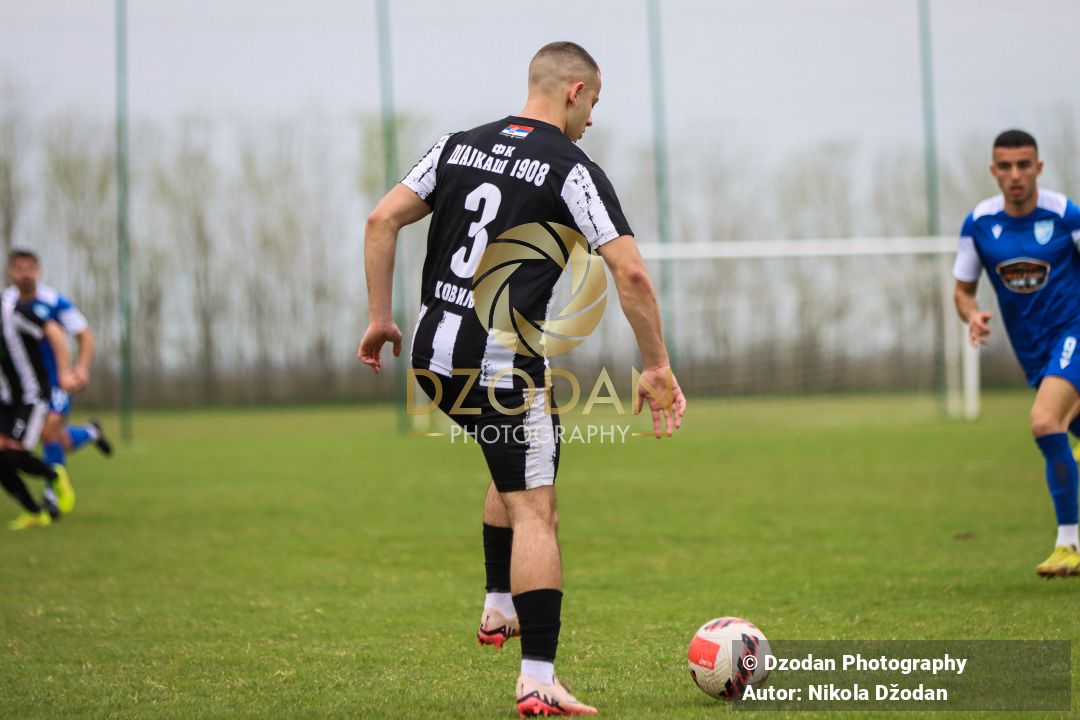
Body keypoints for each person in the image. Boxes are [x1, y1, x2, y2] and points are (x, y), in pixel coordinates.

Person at [358, 42, 686, 716]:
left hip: (431, 354)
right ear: (572, 92)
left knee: (512, 459)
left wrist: (377, 317)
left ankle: (497, 605)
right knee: (537, 506)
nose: (592, 119)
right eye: (592, 103)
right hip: (500, 358)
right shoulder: (572, 168)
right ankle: (537, 676)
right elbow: (630, 273)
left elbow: (380, 217)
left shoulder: (455, 146)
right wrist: (656, 364)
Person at [953, 129, 1080, 577]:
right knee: (1068, 429)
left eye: (1024, 165)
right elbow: (963, 291)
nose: (1015, 175)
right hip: (1034, 352)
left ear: (1039, 168)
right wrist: (971, 315)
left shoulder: (1065, 215)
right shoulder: (979, 224)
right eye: (1005, 166)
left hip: (1074, 333)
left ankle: (1069, 544)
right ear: (993, 171)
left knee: (1045, 423)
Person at [4, 250, 112, 517]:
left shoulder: (54, 302)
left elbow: (84, 336)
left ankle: (52, 495)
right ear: (10, 272)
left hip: (55, 381)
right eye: (19, 268)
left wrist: (79, 370)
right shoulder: (6, 303)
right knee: (55, 438)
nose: (25, 273)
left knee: (50, 430)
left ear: (39, 271)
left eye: (30, 267)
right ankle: (90, 433)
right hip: (22, 387)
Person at [0, 294, 76, 530]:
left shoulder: (12, 312)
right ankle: (34, 512)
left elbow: (53, 331)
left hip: (30, 396)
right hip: (4, 400)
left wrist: (64, 373)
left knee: (14, 452)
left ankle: (53, 475)